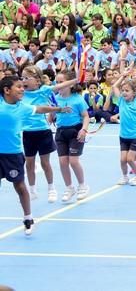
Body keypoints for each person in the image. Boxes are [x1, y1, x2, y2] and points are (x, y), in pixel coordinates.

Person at [0, 75, 70, 235]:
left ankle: (28, 217)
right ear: (6, 90)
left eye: (22, 86)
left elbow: (40, 109)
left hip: (13, 154)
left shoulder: (22, 107)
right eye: (18, 87)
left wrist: (58, 109)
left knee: (19, 186)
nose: (22, 89)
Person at [20, 66, 78, 203]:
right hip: (27, 133)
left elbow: (59, 86)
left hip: (42, 131)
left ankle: (51, 189)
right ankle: (32, 190)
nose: (24, 81)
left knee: (45, 163)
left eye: (27, 78)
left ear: (38, 81)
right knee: (29, 164)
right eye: (22, 78)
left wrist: (75, 80)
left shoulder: (43, 91)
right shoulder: (21, 93)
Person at [53, 70, 91, 203]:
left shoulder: (77, 99)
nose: (58, 85)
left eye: (61, 82)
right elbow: (51, 116)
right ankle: (69, 188)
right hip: (60, 132)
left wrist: (84, 130)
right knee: (63, 162)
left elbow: (86, 116)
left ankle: (82, 186)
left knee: (73, 161)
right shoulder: (55, 99)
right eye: (56, 82)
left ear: (69, 84)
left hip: (75, 132)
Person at [112, 70, 136, 186]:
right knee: (122, 159)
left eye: (127, 91)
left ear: (134, 92)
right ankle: (125, 177)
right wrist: (123, 76)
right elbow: (114, 86)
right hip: (124, 135)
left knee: (130, 159)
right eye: (123, 91)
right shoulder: (121, 100)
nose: (124, 93)